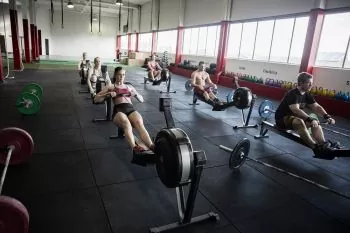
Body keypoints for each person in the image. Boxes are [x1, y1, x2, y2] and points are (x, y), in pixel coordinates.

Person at [94, 67, 155, 155]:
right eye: (119, 74)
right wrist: (108, 94)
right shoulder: (111, 86)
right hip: (118, 110)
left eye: (123, 75)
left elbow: (142, 100)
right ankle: (134, 148)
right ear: (115, 75)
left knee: (139, 122)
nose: (121, 77)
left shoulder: (129, 87)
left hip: (130, 108)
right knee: (125, 122)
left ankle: (152, 146)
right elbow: (96, 99)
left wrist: (136, 95)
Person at [274, 72, 336, 158]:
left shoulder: (306, 95)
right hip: (281, 120)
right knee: (300, 121)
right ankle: (315, 148)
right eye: (309, 83)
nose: (311, 85)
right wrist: (309, 119)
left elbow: (316, 106)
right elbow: (295, 109)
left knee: (315, 122)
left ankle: (323, 144)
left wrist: (327, 116)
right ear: (301, 83)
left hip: (293, 120)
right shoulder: (293, 94)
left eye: (311, 83)